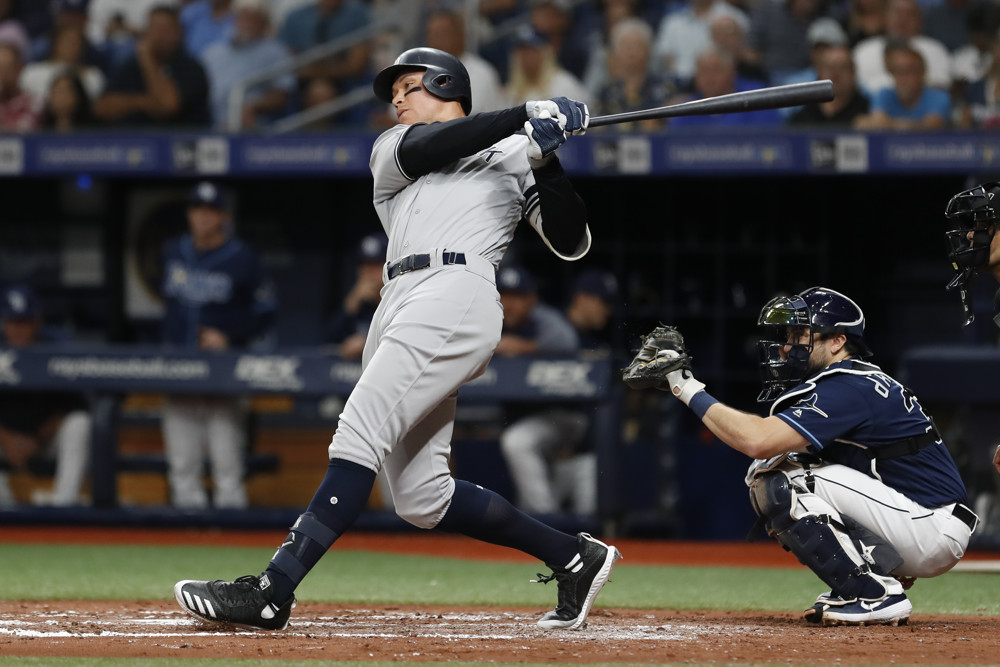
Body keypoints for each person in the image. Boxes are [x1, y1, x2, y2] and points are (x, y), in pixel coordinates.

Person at [174, 46, 620, 633]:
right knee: (421, 497)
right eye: (395, 93)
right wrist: (523, 117)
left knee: (358, 430)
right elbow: (437, 143)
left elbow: (570, 241)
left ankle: (273, 588)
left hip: (457, 290)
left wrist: (544, 158)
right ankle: (573, 556)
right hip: (398, 298)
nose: (397, 100)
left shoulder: (517, 154)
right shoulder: (394, 146)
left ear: (445, 83)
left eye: (409, 87)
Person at [622, 287, 977, 626]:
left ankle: (874, 594)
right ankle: (869, 576)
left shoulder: (848, 386)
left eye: (801, 335)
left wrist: (684, 384)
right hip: (925, 518)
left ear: (839, 340)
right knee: (793, 465)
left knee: (778, 475)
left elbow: (757, 440)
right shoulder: (857, 381)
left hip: (930, 526)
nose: (788, 346)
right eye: (790, 336)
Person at [158, 181, 276, 510]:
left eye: (211, 210)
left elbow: (266, 312)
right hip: (179, 368)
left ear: (222, 215)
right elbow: (169, 306)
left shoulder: (243, 258)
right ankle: (188, 540)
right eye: (198, 209)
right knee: (182, 464)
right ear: (189, 214)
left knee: (226, 463)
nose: (203, 217)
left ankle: (232, 535)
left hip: (224, 370)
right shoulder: (173, 252)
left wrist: (230, 335)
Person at [499, 267, 618, 516]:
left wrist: (518, 348)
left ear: (531, 299)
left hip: (574, 429)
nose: (510, 303)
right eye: (602, 302)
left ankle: (548, 527)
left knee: (588, 515)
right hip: (541, 426)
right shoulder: (494, 319)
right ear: (581, 298)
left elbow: (563, 343)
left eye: (517, 297)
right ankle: (547, 526)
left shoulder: (552, 323)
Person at [0, 284, 92, 507]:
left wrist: (37, 438)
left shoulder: (57, 347)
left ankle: (63, 508)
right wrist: (7, 439)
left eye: (25, 322)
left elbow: (77, 405)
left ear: (38, 322)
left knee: (80, 424)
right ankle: (5, 512)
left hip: (46, 440)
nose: (19, 330)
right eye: (13, 322)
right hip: (6, 442)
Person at [93, 5, 210, 128]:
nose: (159, 36)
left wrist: (147, 58)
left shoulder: (192, 68)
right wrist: (144, 102)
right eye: (154, 28)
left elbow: (166, 105)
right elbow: (101, 108)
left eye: (165, 30)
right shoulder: (131, 66)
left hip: (177, 143)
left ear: (179, 32)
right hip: (130, 141)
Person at [200, 0, 295, 130]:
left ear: (265, 25)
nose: (247, 23)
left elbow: (282, 95)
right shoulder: (212, 52)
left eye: (254, 19)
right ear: (234, 20)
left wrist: (254, 106)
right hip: (207, 123)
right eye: (243, 17)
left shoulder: (275, 51)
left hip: (251, 126)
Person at [852, 0, 951, 96]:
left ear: (920, 20)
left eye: (910, 14)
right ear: (885, 16)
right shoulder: (864, 50)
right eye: (897, 12)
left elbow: (941, 87)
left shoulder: (935, 50)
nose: (903, 18)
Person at [595, 17, 676, 133]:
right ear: (615, 52)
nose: (632, 53)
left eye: (638, 47)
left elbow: (669, 126)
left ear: (649, 51)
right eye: (626, 47)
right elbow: (596, 129)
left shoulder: (665, 88)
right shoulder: (606, 91)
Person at [669, 48, 784, 128]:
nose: (708, 78)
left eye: (715, 70)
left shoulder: (757, 99)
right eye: (702, 71)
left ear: (731, 73)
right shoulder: (686, 111)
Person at [855, 41, 950, 130]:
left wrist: (888, 123)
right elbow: (872, 123)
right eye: (898, 72)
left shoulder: (938, 96)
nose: (903, 78)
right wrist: (916, 124)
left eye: (909, 71)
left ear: (922, 73)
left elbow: (930, 127)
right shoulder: (884, 94)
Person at [325, 232, 387, 360]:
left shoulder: (397, 301)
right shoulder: (359, 302)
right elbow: (326, 341)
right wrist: (352, 302)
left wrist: (367, 344)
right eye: (363, 264)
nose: (367, 271)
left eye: (375, 264)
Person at [503, 26, 591, 109]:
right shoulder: (511, 91)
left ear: (545, 54)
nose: (527, 58)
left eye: (532, 52)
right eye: (522, 53)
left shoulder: (564, 84)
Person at [787, 44, 871, 126]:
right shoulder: (802, 118)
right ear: (819, 71)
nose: (835, 74)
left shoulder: (868, 113)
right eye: (829, 67)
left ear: (853, 71)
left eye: (842, 67)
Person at [0, 40, 39, 132]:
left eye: (7, 68)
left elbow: (22, 131)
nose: (2, 74)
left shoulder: (32, 101)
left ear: (19, 68)